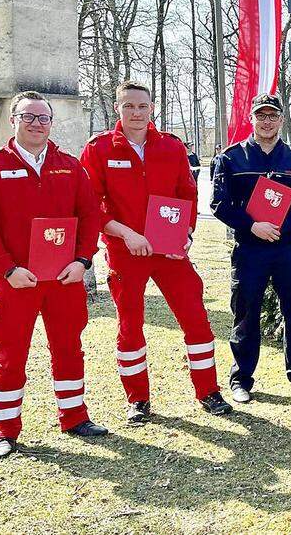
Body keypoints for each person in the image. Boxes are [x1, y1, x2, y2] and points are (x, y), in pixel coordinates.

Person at [0, 91, 109, 459]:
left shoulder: (69, 165)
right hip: (16, 281)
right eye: (28, 117)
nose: (36, 124)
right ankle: (5, 430)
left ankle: (75, 417)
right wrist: (6, 268)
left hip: (63, 279)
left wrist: (82, 260)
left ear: (51, 123)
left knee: (69, 348)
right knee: (11, 353)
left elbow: (91, 215)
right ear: (13, 121)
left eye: (43, 118)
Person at [81, 81, 232, 422]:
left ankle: (208, 390)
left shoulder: (171, 146)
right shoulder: (100, 148)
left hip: (170, 252)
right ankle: (138, 399)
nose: (136, 112)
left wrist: (187, 234)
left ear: (152, 108)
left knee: (196, 317)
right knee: (130, 324)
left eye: (142, 106)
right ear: (117, 108)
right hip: (125, 251)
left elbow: (187, 194)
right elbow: (90, 205)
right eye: (128, 106)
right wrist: (124, 233)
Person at [211, 94, 291, 402]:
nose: (267, 121)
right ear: (252, 119)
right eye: (261, 115)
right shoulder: (231, 158)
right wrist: (251, 225)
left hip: (289, 248)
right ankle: (241, 380)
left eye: (273, 116)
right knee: (245, 314)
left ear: (281, 120)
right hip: (251, 248)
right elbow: (219, 204)